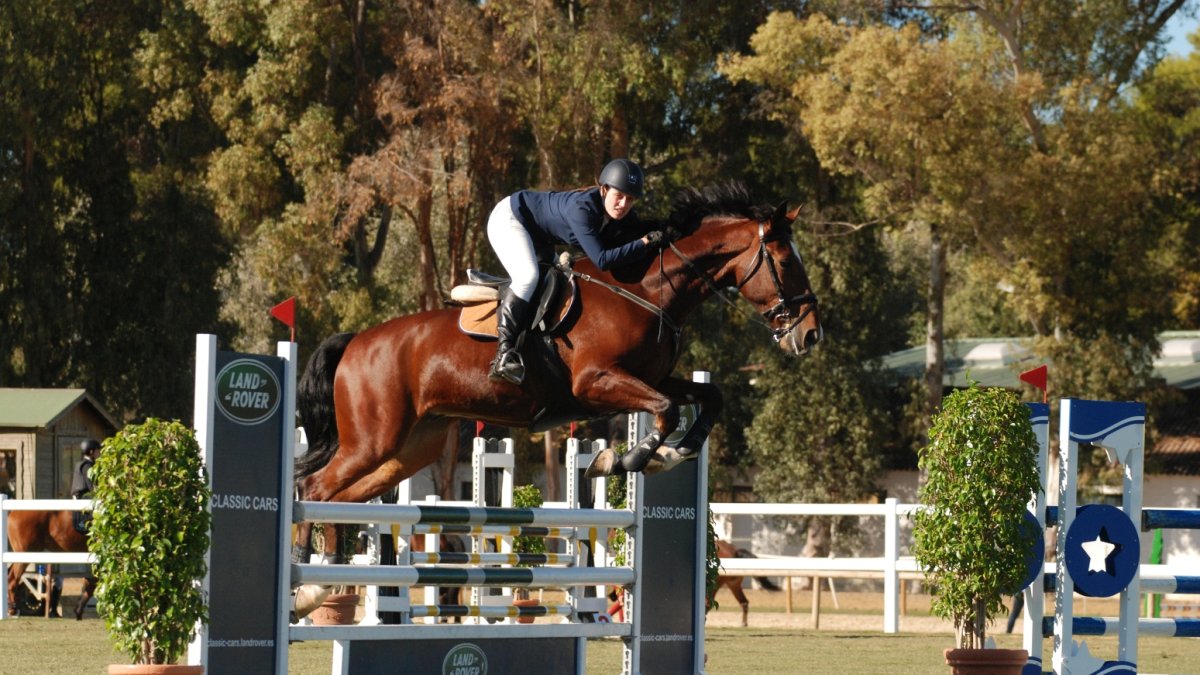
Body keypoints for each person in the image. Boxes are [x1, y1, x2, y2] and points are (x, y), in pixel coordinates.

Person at [485, 158, 666, 385]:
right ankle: (504, 355)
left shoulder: (621, 213)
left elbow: (641, 230)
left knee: (556, 280)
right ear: (604, 189)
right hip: (510, 219)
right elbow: (602, 260)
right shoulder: (582, 210)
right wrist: (644, 243)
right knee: (527, 277)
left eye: (630, 199)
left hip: (539, 236)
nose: (623, 204)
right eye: (618, 196)